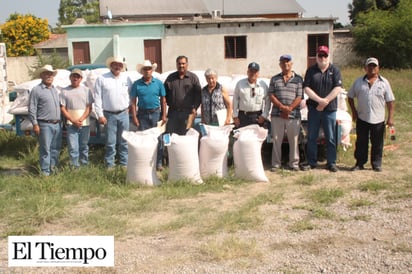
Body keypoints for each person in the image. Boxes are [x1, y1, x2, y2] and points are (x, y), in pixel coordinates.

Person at [347, 57, 395, 172]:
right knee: (361, 142)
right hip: (362, 117)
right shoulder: (358, 82)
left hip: (378, 119)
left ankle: (376, 164)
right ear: (365, 68)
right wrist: (354, 112)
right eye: (370, 66)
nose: (372, 68)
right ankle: (359, 163)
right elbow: (350, 96)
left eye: (374, 66)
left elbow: (390, 101)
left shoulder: (384, 83)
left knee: (377, 142)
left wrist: (390, 118)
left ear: (378, 68)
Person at [303, 45, 343, 172]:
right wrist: (319, 101)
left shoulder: (335, 70)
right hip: (314, 109)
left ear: (328, 56)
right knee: (312, 137)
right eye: (320, 55)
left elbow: (337, 88)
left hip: (329, 109)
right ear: (316, 57)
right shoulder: (311, 71)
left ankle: (331, 162)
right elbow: (306, 88)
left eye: (325, 55)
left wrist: (325, 101)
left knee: (330, 137)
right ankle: (311, 162)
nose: (322, 58)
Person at [268, 54, 304, 172]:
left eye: (288, 62)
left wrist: (289, 109)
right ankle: (276, 164)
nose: (285, 64)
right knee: (277, 140)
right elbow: (271, 95)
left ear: (291, 64)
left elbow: (299, 96)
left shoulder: (298, 79)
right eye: (283, 62)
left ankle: (293, 164)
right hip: (277, 114)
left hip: (293, 115)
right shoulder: (274, 79)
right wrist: (282, 107)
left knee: (294, 140)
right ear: (280, 65)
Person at [94, 56, 130, 169]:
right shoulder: (102, 79)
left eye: (120, 65)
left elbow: (132, 95)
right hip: (109, 115)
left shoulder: (127, 79)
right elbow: (97, 98)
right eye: (115, 64)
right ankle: (110, 165)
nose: (117, 67)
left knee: (124, 141)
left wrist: (131, 108)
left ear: (122, 67)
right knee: (110, 142)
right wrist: (100, 115)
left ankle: (124, 164)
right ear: (111, 66)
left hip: (124, 114)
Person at [130, 60, 166, 170]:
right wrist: (135, 117)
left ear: (152, 70)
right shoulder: (136, 84)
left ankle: (159, 163)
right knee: (144, 138)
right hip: (142, 114)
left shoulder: (158, 83)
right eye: (145, 69)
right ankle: (146, 162)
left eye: (149, 69)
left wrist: (164, 115)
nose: (147, 71)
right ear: (142, 71)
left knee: (158, 138)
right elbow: (133, 102)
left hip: (156, 113)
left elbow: (163, 100)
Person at [28, 65, 62, 176]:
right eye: (46, 74)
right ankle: (45, 172)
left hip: (57, 124)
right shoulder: (36, 90)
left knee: (55, 148)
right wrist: (35, 124)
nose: (49, 76)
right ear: (41, 75)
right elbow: (32, 108)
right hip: (44, 124)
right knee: (45, 149)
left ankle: (54, 169)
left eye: (51, 74)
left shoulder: (54, 90)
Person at [60, 68, 94, 168]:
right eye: (73, 76)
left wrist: (81, 119)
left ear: (81, 78)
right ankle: (74, 166)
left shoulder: (86, 90)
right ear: (70, 78)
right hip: (71, 124)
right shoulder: (64, 91)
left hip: (84, 123)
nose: (75, 78)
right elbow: (63, 108)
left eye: (77, 76)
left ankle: (84, 164)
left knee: (84, 146)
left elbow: (89, 107)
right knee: (73, 147)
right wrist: (72, 120)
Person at [164, 55, 202, 135]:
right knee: (170, 135)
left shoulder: (193, 78)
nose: (181, 65)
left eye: (183, 63)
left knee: (187, 136)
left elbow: (198, 95)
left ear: (187, 64)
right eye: (179, 63)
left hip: (187, 113)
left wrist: (195, 108)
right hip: (173, 113)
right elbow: (164, 94)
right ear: (176, 64)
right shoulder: (170, 78)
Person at [232, 62, 270, 128]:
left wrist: (264, 116)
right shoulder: (240, 84)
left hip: (257, 117)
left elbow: (268, 101)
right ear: (247, 72)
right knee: (242, 137)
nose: (253, 73)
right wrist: (235, 116)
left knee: (257, 137)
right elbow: (235, 99)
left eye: (255, 71)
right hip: (243, 116)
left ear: (258, 73)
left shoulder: (263, 85)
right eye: (251, 71)